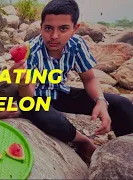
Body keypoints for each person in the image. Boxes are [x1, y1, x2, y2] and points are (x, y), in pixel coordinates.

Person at [14, 0, 133, 160]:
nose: (54, 36)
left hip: (59, 92)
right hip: (34, 96)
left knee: (122, 104)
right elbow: (28, 94)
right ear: (41, 27)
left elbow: (89, 79)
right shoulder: (31, 51)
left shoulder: (76, 45)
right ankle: (82, 141)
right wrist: (21, 81)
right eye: (48, 28)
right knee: (47, 118)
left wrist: (100, 101)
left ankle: (124, 151)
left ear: (75, 28)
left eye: (63, 28)